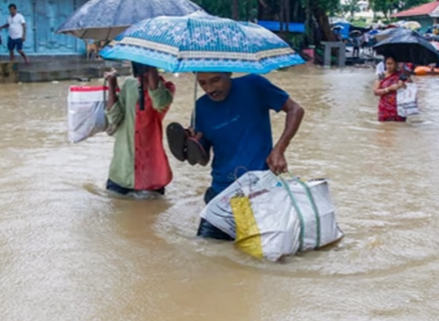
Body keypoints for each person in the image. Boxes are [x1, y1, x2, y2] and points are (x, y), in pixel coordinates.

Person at [165, 73, 305, 240]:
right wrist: (192, 144)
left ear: (228, 73)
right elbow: (204, 160)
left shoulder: (254, 85)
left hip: (259, 191)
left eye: (215, 80)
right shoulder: (201, 107)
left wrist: (279, 150)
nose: (210, 89)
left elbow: (295, 109)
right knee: (205, 250)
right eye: (202, 83)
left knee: (264, 254)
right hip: (220, 194)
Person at [104, 63, 176, 195]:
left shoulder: (167, 89)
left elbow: (160, 103)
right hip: (122, 172)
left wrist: (150, 72)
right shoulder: (129, 85)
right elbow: (114, 117)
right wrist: (112, 85)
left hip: (151, 176)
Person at [373, 56, 407, 122]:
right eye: (387, 64)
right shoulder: (382, 75)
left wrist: (402, 85)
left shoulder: (402, 75)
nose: (389, 66)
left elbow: (409, 89)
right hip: (384, 109)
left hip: (399, 109)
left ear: (396, 64)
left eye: (391, 64)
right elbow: (375, 92)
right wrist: (389, 89)